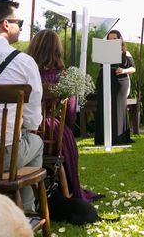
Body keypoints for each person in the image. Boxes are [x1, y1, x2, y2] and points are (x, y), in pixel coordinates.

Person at [0, 0, 43, 211]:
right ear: (6, 24)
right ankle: (27, 211)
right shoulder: (23, 62)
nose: (21, 27)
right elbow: (33, 118)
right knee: (35, 141)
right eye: (19, 21)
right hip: (0, 156)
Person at [27, 29, 101, 201]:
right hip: (52, 134)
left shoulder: (26, 73)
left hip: (26, 130)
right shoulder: (64, 77)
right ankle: (64, 189)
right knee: (65, 134)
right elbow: (69, 115)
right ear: (57, 50)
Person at [94, 30, 136, 146]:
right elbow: (95, 58)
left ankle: (118, 138)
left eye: (114, 39)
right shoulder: (102, 50)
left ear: (120, 40)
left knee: (117, 107)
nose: (111, 41)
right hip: (103, 80)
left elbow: (133, 69)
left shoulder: (125, 53)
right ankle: (102, 139)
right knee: (102, 106)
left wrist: (123, 70)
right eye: (109, 39)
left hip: (119, 82)